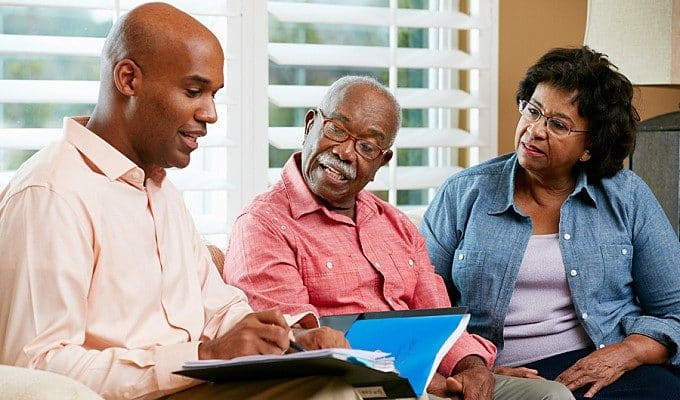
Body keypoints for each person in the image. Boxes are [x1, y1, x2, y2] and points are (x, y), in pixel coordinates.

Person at [0, 3, 357, 400]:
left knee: (346, 385)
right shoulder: (51, 195)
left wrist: (291, 339)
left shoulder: (159, 189)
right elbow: (36, 367)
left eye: (214, 95)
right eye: (193, 91)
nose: (211, 114)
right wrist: (205, 354)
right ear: (128, 78)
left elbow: (220, 310)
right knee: (330, 395)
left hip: (195, 386)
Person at [224, 75, 574, 400]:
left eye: (366, 147)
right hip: (347, 385)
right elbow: (298, 343)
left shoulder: (396, 224)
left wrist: (472, 366)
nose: (345, 152)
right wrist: (410, 377)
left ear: (381, 161)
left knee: (551, 395)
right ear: (310, 124)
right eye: (336, 130)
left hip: (426, 376)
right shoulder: (263, 223)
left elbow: (438, 313)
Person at [420, 46, 680, 400]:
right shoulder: (463, 193)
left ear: (590, 146)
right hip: (498, 371)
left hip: (601, 364)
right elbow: (418, 307)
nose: (534, 130)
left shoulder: (626, 195)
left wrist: (626, 353)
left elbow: (675, 310)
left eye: (557, 124)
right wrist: (471, 366)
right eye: (533, 111)